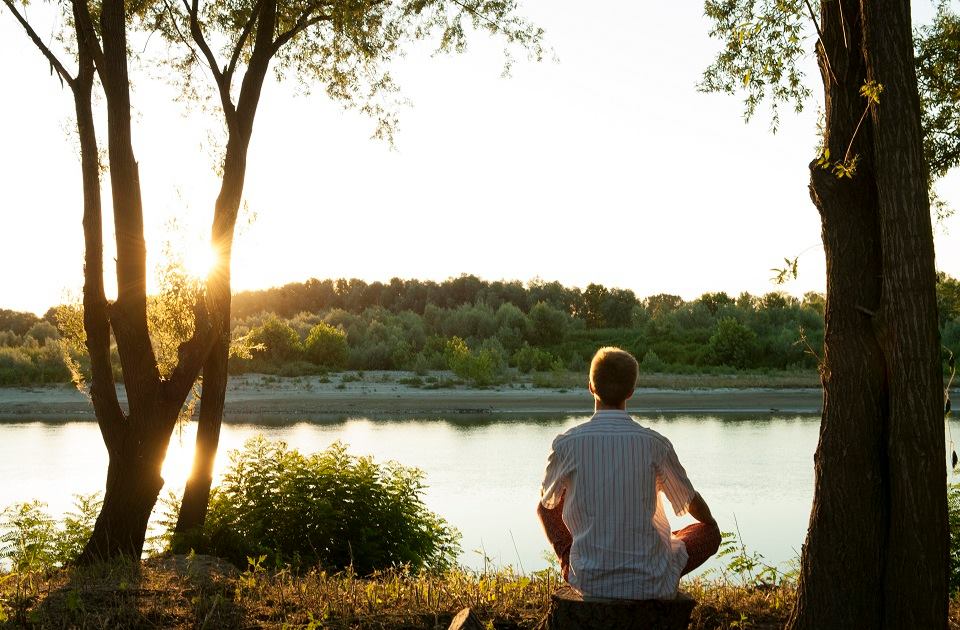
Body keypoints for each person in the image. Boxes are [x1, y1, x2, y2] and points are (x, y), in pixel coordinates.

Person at [537, 347, 720, 600]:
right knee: (709, 533)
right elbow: (689, 500)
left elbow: (546, 502)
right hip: (652, 582)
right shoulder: (655, 444)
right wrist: (709, 521)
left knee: (548, 505)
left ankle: (572, 562)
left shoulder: (566, 445)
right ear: (631, 392)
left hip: (589, 582)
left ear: (590, 386)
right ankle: (652, 556)